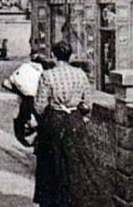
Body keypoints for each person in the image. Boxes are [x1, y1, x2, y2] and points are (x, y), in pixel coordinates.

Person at [33, 41, 91, 207]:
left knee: (50, 164)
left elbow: (40, 106)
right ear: (70, 56)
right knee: (74, 163)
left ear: (53, 56)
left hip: (54, 121)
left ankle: (51, 201)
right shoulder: (80, 74)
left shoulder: (47, 75)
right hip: (74, 120)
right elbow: (87, 104)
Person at [3, 55, 46, 148]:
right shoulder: (44, 72)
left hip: (25, 100)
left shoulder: (24, 67)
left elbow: (6, 83)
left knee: (22, 122)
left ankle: (26, 140)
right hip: (37, 99)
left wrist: (20, 92)